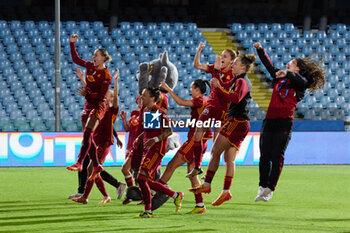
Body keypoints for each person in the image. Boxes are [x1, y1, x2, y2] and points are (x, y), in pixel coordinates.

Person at [253, 42, 326, 202]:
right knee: (264, 156)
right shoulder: (280, 77)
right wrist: (260, 50)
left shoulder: (300, 84)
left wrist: (286, 74)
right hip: (269, 120)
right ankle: (262, 186)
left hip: (284, 122)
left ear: (298, 68)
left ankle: (270, 188)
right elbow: (269, 65)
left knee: (277, 156)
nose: (287, 64)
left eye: (291, 63)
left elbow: (301, 81)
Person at [189, 54, 256, 206]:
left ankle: (206, 185)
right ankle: (225, 192)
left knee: (215, 151)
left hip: (236, 122)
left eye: (236, 63)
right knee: (229, 158)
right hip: (241, 123)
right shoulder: (237, 80)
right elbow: (226, 92)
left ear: (243, 67)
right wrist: (218, 78)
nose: (233, 65)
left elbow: (235, 98)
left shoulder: (241, 81)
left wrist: (219, 86)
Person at [157, 79, 213, 214]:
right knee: (192, 173)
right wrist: (180, 124)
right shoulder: (206, 101)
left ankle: (156, 191)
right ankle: (200, 205)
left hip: (194, 142)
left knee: (171, 165)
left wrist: (168, 89)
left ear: (197, 89)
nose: (190, 90)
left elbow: (181, 102)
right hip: (202, 142)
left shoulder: (200, 100)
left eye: (192, 88)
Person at [68, 69, 124, 200]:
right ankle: (94, 193)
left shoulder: (112, 110)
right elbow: (89, 93)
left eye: (107, 96)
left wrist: (115, 81)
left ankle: (86, 195)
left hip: (103, 143)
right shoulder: (99, 109)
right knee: (91, 168)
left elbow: (115, 97)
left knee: (92, 169)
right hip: (94, 141)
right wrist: (82, 79)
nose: (104, 97)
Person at [187, 42, 239, 177]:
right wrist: (198, 50)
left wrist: (216, 72)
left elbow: (225, 91)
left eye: (225, 56)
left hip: (222, 111)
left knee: (216, 147)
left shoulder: (233, 76)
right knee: (197, 135)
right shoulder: (215, 68)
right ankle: (197, 166)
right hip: (210, 107)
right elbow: (197, 65)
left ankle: (210, 173)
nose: (222, 58)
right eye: (221, 55)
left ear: (231, 61)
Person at [66, 34, 113, 180]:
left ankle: (79, 162)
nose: (94, 57)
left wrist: (87, 93)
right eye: (93, 55)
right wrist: (72, 44)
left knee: (87, 134)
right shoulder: (90, 66)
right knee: (89, 137)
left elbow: (101, 96)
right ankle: (97, 165)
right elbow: (76, 59)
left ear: (104, 58)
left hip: (98, 106)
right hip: (88, 104)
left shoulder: (107, 76)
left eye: (97, 55)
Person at [134, 87, 183, 218]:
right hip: (149, 148)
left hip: (157, 149)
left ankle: (148, 211)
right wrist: (139, 138)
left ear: (152, 98)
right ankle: (175, 195)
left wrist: (154, 140)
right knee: (147, 181)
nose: (141, 97)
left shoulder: (159, 112)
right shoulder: (147, 110)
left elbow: (169, 131)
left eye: (144, 95)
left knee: (141, 178)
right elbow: (150, 129)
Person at [120, 96, 143, 205]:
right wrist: (124, 119)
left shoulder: (147, 113)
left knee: (125, 169)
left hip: (138, 147)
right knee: (132, 172)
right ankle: (133, 195)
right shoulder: (134, 112)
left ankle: (135, 194)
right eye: (138, 98)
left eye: (142, 98)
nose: (139, 100)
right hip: (130, 146)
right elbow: (127, 129)